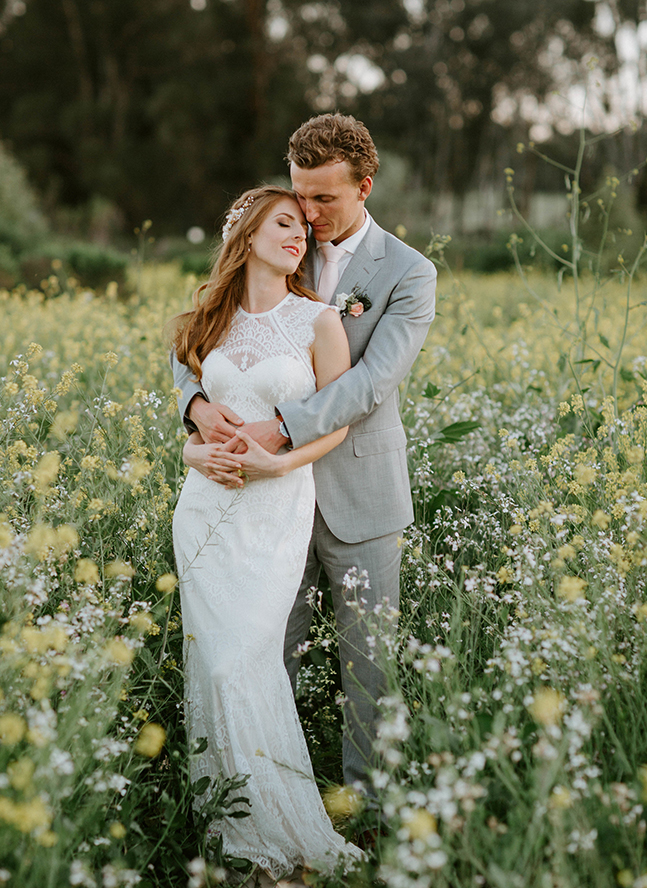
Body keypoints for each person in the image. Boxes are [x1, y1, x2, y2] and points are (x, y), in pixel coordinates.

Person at [172, 113, 437, 795]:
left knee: (367, 670)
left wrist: (277, 430)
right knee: (264, 656)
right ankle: (262, 803)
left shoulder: (409, 273)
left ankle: (367, 815)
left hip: (359, 497)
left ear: (365, 186)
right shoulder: (277, 239)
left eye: (325, 199)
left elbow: (371, 383)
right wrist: (198, 413)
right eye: (300, 195)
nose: (309, 215)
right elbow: (202, 342)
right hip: (260, 506)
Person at [170, 184, 362, 876]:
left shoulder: (318, 321)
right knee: (213, 669)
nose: (299, 237)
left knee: (241, 661)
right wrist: (194, 450)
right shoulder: (209, 323)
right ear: (246, 234)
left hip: (276, 511)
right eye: (284, 224)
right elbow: (193, 416)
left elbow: (336, 423)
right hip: (203, 514)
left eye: (303, 231)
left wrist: (276, 466)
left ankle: (282, 825)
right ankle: (229, 824)